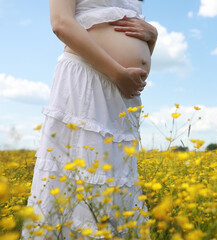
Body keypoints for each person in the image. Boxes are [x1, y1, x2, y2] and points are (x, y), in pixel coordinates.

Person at [21, 0, 157, 239]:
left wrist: (151, 37)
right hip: (86, 78)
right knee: (83, 177)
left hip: (123, 91)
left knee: (115, 183)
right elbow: (61, 23)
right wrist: (116, 71)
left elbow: (134, 45)